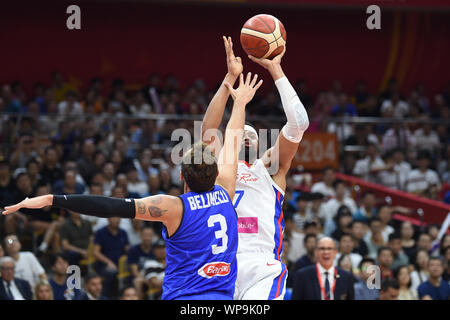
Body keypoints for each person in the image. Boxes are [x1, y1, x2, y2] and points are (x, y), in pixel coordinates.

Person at [2, 70, 261, 300]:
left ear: (181, 177)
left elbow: (109, 206)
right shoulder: (226, 189)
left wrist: (53, 199)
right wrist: (240, 102)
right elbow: (234, 136)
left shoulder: (174, 208)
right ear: (216, 171)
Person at [201, 37, 309, 300]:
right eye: (242, 131)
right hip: (218, 263)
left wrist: (276, 70)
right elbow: (207, 133)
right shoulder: (216, 168)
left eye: (253, 134)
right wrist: (228, 80)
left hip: (260, 265)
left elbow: (299, 123)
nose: (247, 135)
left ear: (261, 145)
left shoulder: (269, 168)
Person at [93, 217, 130, 299]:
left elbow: (127, 250)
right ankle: (105, 296)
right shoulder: (100, 233)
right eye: (114, 218)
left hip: (121, 266)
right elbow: (95, 252)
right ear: (108, 219)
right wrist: (108, 262)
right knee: (112, 272)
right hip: (104, 265)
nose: (117, 220)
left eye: (118, 218)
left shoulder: (123, 233)